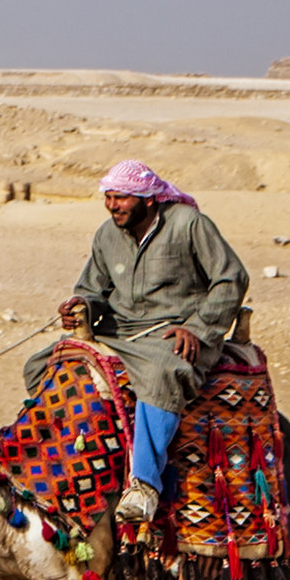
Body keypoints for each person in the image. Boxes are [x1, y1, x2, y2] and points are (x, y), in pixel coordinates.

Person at [50, 159, 252, 525]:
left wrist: (200, 327)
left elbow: (231, 279)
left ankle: (144, 485)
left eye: (122, 198)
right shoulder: (106, 236)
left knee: (161, 371)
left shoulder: (189, 225)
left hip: (176, 335)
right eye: (108, 198)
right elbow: (91, 290)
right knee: (47, 363)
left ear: (148, 199)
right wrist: (80, 306)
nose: (113, 206)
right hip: (120, 334)